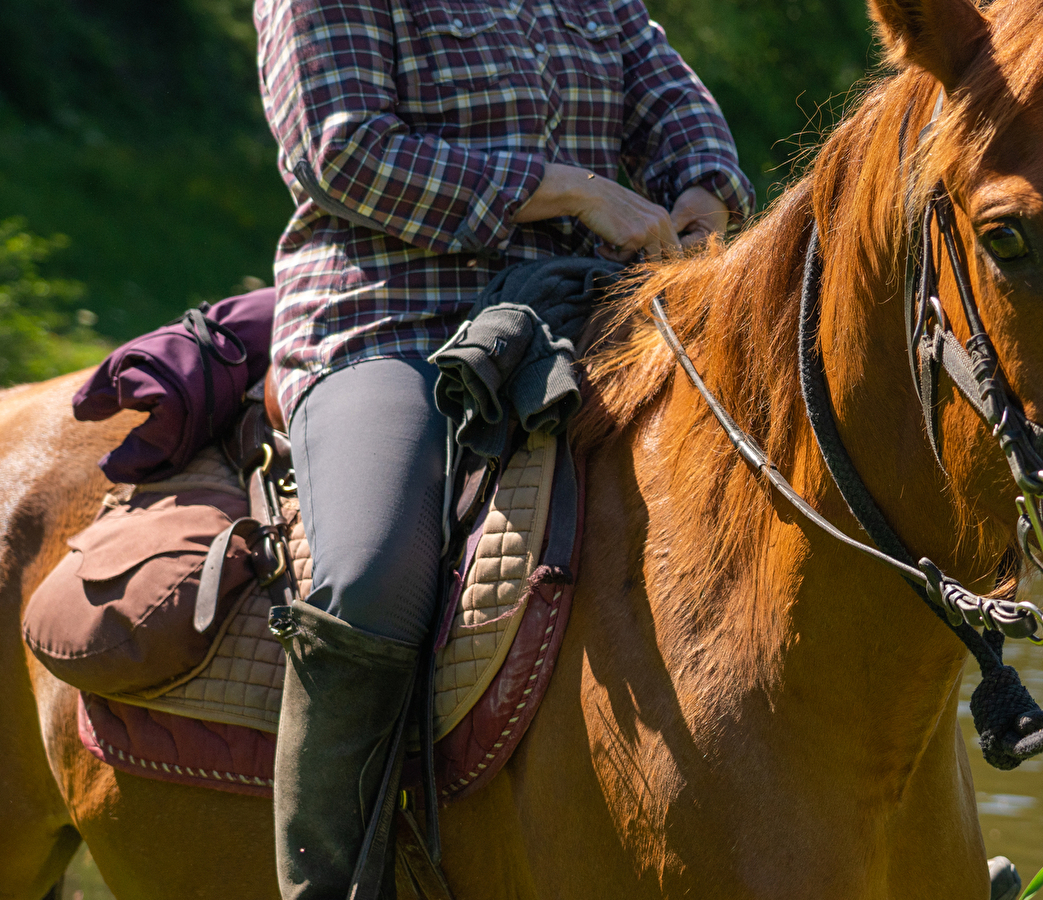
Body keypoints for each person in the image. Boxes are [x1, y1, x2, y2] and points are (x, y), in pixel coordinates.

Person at [253, 0, 752, 895]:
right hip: (394, 317)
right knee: (371, 574)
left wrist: (701, 191)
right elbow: (339, 151)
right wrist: (569, 189)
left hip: (589, 307)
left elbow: (670, 98)